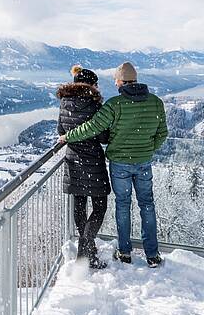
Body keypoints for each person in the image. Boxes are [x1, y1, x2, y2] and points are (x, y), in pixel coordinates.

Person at [59, 61, 168, 268]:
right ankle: (152, 255)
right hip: (143, 162)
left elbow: (93, 128)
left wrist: (68, 136)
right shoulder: (155, 102)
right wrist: (147, 148)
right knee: (147, 205)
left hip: (119, 163)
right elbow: (162, 133)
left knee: (123, 205)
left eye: (116, 80)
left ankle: (125, 252)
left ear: (121, 81)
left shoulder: (115, 104)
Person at [57, 65, 110, 269]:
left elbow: (61, 129)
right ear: (91, 85)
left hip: (73, 160)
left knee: (79, 206)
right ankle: (85, 252)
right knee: (100, 206)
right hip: (93, 161)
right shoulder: (95, 105)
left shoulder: (64, 102)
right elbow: (104, 136)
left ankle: (87, 251)